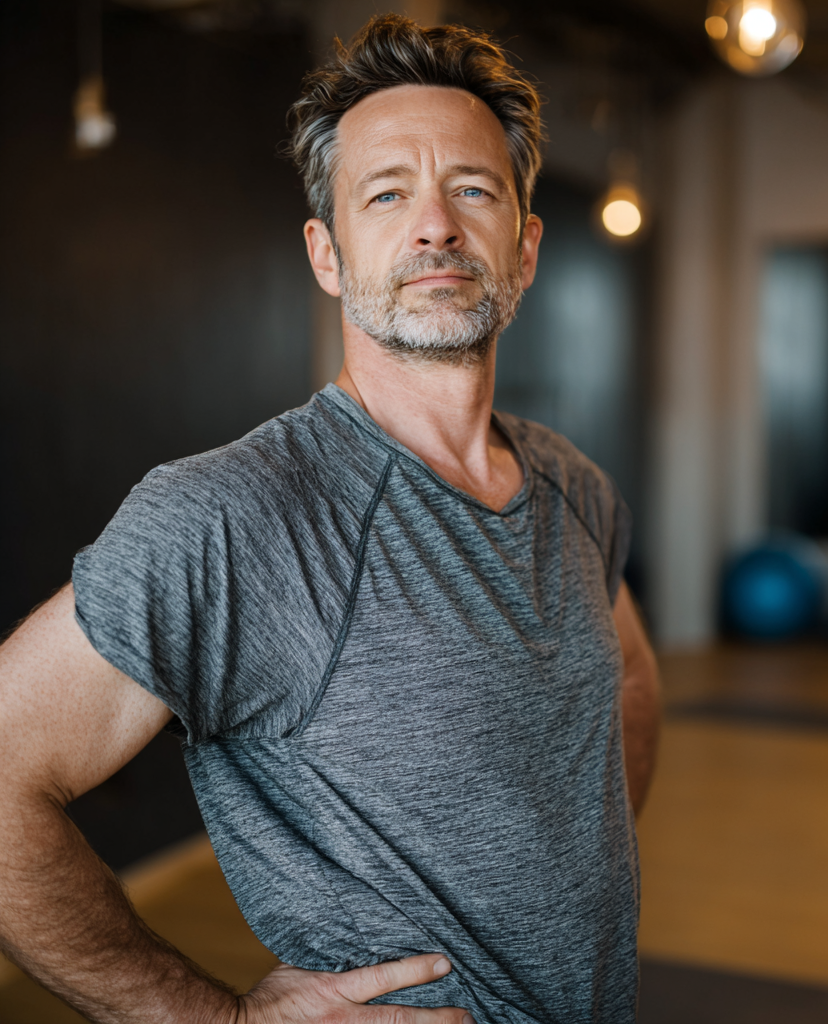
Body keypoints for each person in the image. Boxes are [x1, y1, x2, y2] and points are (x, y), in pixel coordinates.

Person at [0, 14, 660, 1024]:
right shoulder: (237, 514)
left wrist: (575, 884)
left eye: (473, 190)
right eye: (387, 193)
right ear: (327, 254)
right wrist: (210, 1018)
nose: (434, 226)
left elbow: (632, 678)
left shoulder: (573, 486)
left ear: (525, 250)